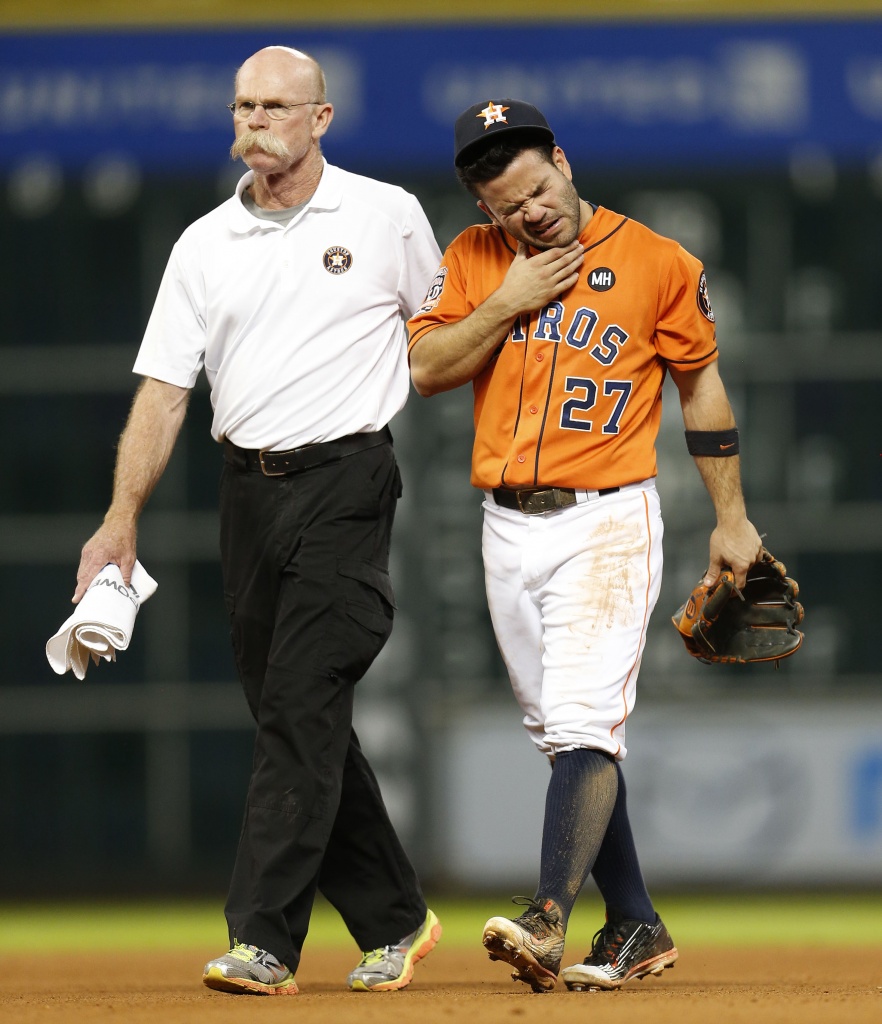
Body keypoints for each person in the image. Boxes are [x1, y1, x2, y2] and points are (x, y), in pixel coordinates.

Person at [73, 46, 442, 996]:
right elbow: (162, 393)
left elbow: (444, 338)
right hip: (247, 495)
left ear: (322, 120)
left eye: (277, 106)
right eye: (244, 105)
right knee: (295, 715)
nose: (255, 121)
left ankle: (265, 939)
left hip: (349, 481)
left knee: (297, 706)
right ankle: (398, 921)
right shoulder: (203, 243)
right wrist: (119, 521)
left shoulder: (385, 214)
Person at [407, 99, 762, 993]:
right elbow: (425, 369)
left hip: (607, 518)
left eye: (535, 186)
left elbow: (702, 386)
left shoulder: (657, 261)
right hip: (505, 525)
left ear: (562, 162)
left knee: (580, 723)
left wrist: (732, 518)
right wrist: (509, 300)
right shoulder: (475, 260)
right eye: (505, 203)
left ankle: (546, 918)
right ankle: (636, 920)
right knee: (566, 737)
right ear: (485, 209)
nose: (528, 211)